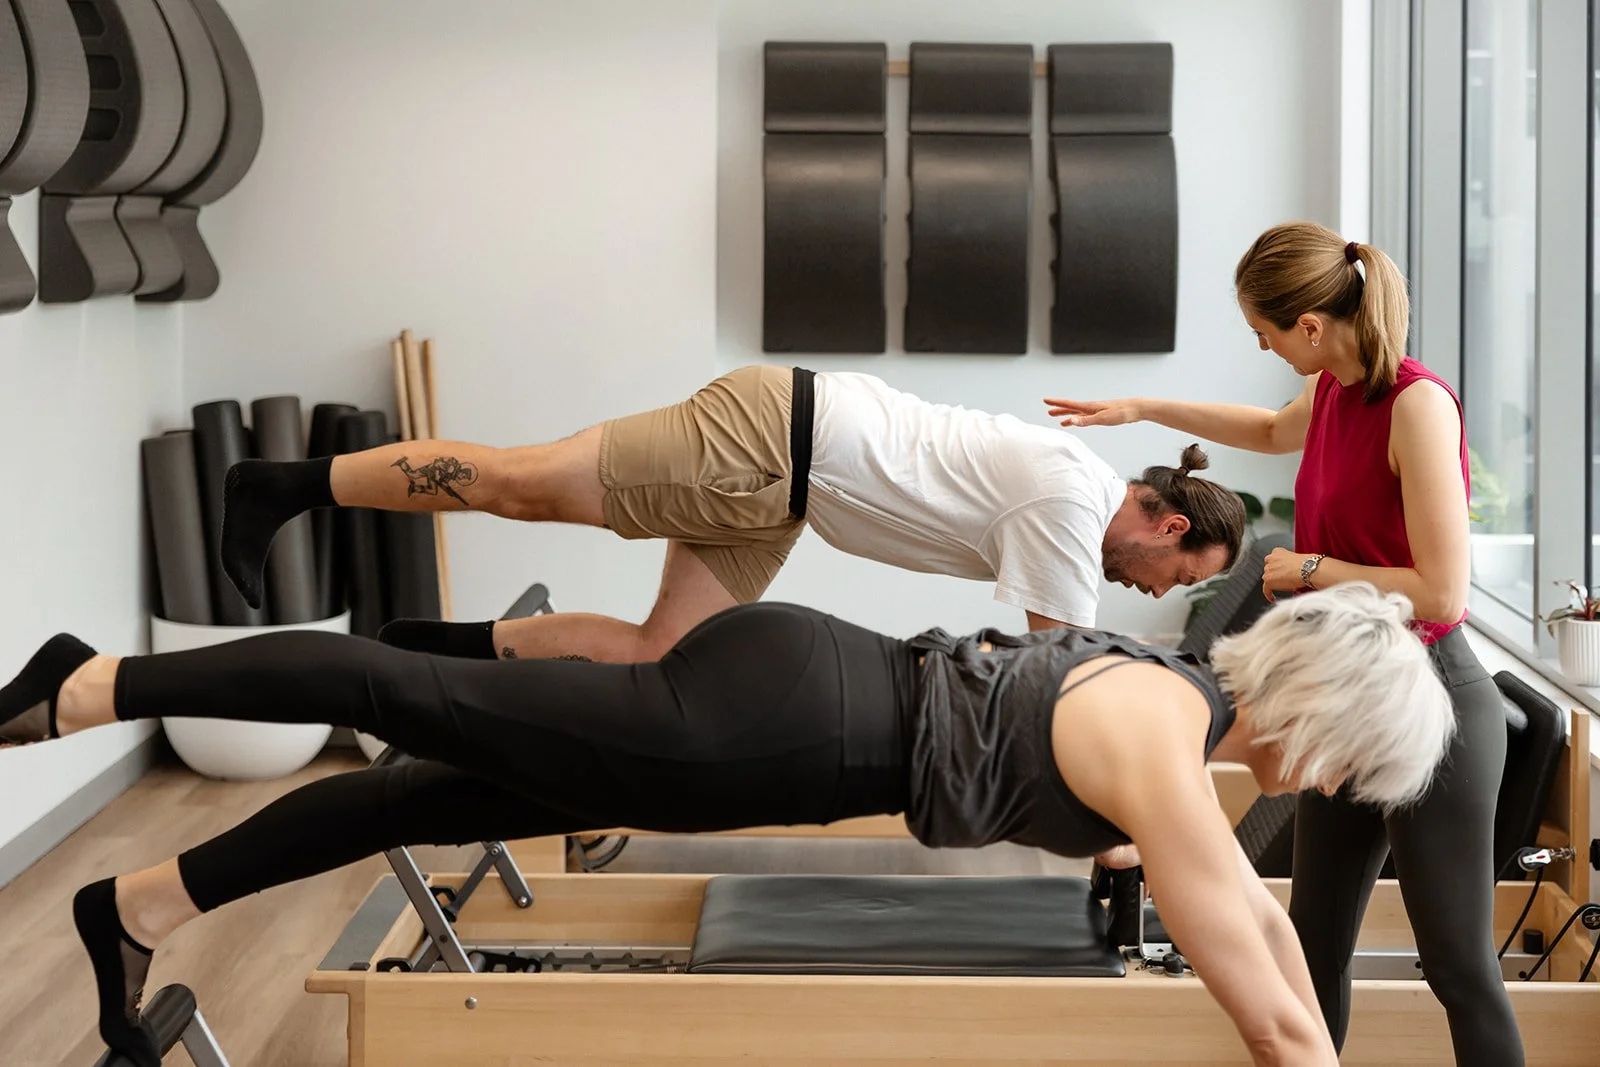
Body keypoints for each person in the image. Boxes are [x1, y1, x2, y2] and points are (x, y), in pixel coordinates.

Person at [0, 582, 1454, 1067]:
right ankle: (83, 684)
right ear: (1327, 719)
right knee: (413, 698)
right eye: (1353, 764)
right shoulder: (1157, 732)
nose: (1330, 789)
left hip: (790, 707)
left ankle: (138, 902)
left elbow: (1262, 931)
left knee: (433, 791)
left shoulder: (1177, 708)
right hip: (763, 732)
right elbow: (1261, 1005)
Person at [1042, 221, 1522, 1065]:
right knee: (1310, 941)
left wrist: (1308, 568)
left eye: (1264, 329)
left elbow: (1442, 590)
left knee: (1457, 963)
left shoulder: (1416, 403)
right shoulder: (1332, 390)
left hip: (1431, 705)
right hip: (1350, 700)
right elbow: (1267, 430)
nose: (1259, 344)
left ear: (1309, 323)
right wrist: (1143, 408)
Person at [219, 365, 1245, 661]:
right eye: (1181, 576)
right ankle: (281, 486)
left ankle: (424, 649)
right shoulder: (1074, 503)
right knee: (519, 483)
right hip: (768, 441)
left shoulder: (1075, 488)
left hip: (780, 497)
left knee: (661, 649)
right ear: (1164, 525)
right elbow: (1060, 672)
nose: (1160, 591)